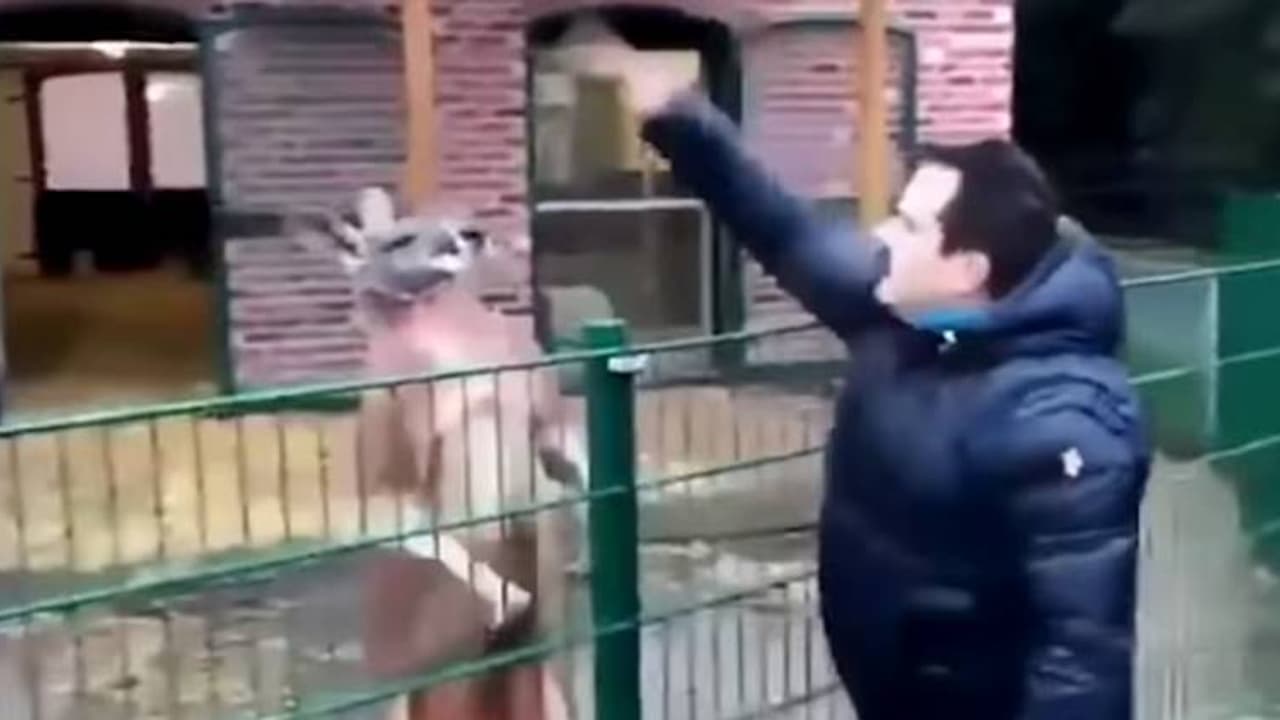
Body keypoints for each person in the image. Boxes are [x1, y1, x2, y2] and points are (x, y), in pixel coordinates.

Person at [625, 55, 1152, 720]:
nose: (882, 235)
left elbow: (1081, 659)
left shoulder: (1066, 421)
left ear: (967, 268)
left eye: (908, 225)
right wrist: (680, 120)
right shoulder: (905, 311)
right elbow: (787, 230)